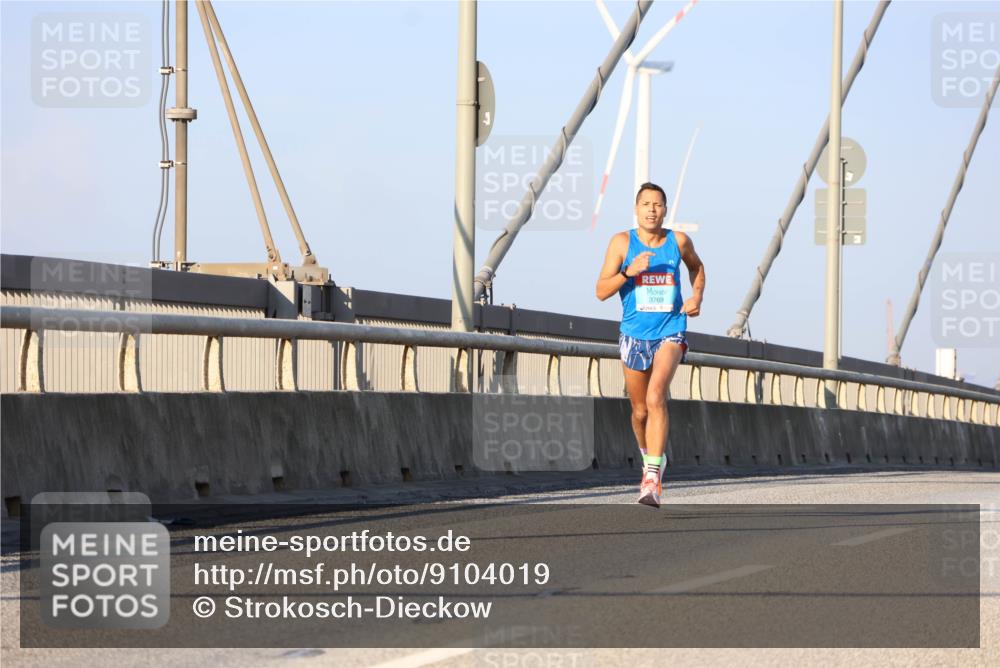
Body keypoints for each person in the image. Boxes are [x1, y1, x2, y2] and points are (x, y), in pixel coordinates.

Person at [595, 182, 706, 507]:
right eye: (646, 204)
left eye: (657, 204)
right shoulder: (621, 242)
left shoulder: (678, 241)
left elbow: (697, 268)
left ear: (665, 209)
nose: (652, 210)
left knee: (657, 396)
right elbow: (601, 290)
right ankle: (649, 457)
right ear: (636, 208)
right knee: (640, 410)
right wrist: (629, 272)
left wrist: (696, 296)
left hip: (670, 330)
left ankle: (652, 477)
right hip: (633, 333)